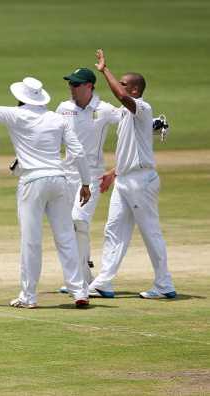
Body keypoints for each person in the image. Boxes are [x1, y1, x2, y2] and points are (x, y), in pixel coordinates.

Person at [0, 67, 92, 308]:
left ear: (21, 97)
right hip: (59, 180)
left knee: (31, 241)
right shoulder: (57, 118)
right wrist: (85, 182)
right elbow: (79, 151)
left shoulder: (16, 115)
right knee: (66, 237)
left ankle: (29, 297)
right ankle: (79, 291)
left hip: (32, 181)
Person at [88, 49, 177, 299]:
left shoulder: (141, 107)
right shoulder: (127, 113)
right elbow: (131, 151)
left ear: (135, 90)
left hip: (142, 181)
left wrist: (105, 70)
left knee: (150, 231)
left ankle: (164, 284)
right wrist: (114, 173)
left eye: (126, 84)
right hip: (125, 180)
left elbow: (120, 94)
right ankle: (103, 282)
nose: (120, 87)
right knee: (113, 229)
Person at [55, 68, 122, 289]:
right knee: (70, 225)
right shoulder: (64, 108)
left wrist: (154, 124)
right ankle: (80, 275)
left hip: (92, 176)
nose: (71, 88)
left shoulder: (104, 110)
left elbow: (131, 121)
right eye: (70, 84)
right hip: (66, 176)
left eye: (76, 84)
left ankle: (83, 280)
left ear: (89, 86)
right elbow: (52, 136)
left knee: (78, 221)